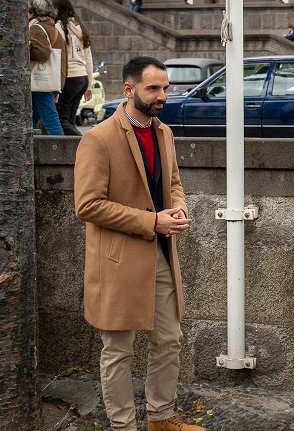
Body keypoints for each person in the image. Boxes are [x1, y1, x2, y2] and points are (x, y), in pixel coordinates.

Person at [74, 57, 206, 431]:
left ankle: (161, 418)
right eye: (153, 88)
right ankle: (122, 425)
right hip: (118, 261)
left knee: (169, 340)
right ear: (129, 90)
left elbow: (174, 183)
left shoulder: (164, 133)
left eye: (165, 88)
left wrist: (178, 208)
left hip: (161, 255)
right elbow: (87, 205)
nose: (162, 95)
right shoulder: (98, 139)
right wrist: (152, 221)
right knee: (118, 352)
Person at [53, 0, 94, 136]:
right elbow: (88, 57)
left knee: (61, 118)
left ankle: (82, 142)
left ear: (57, 10)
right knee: (69, 119)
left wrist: (56, 84)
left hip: (69, 77)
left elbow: (58, 57)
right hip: (82, 77)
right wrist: (89, 85)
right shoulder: (80, 27)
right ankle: (77, 147)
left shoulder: (58, 27)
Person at [28, 0, 66, 135]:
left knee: (50, 119)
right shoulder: (54, 28)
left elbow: (42, 53)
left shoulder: (36, 28)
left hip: (39, 79)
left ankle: (60, 151)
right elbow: (63, 58)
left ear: (34, 11)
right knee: (32, 117)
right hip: (50, 79)